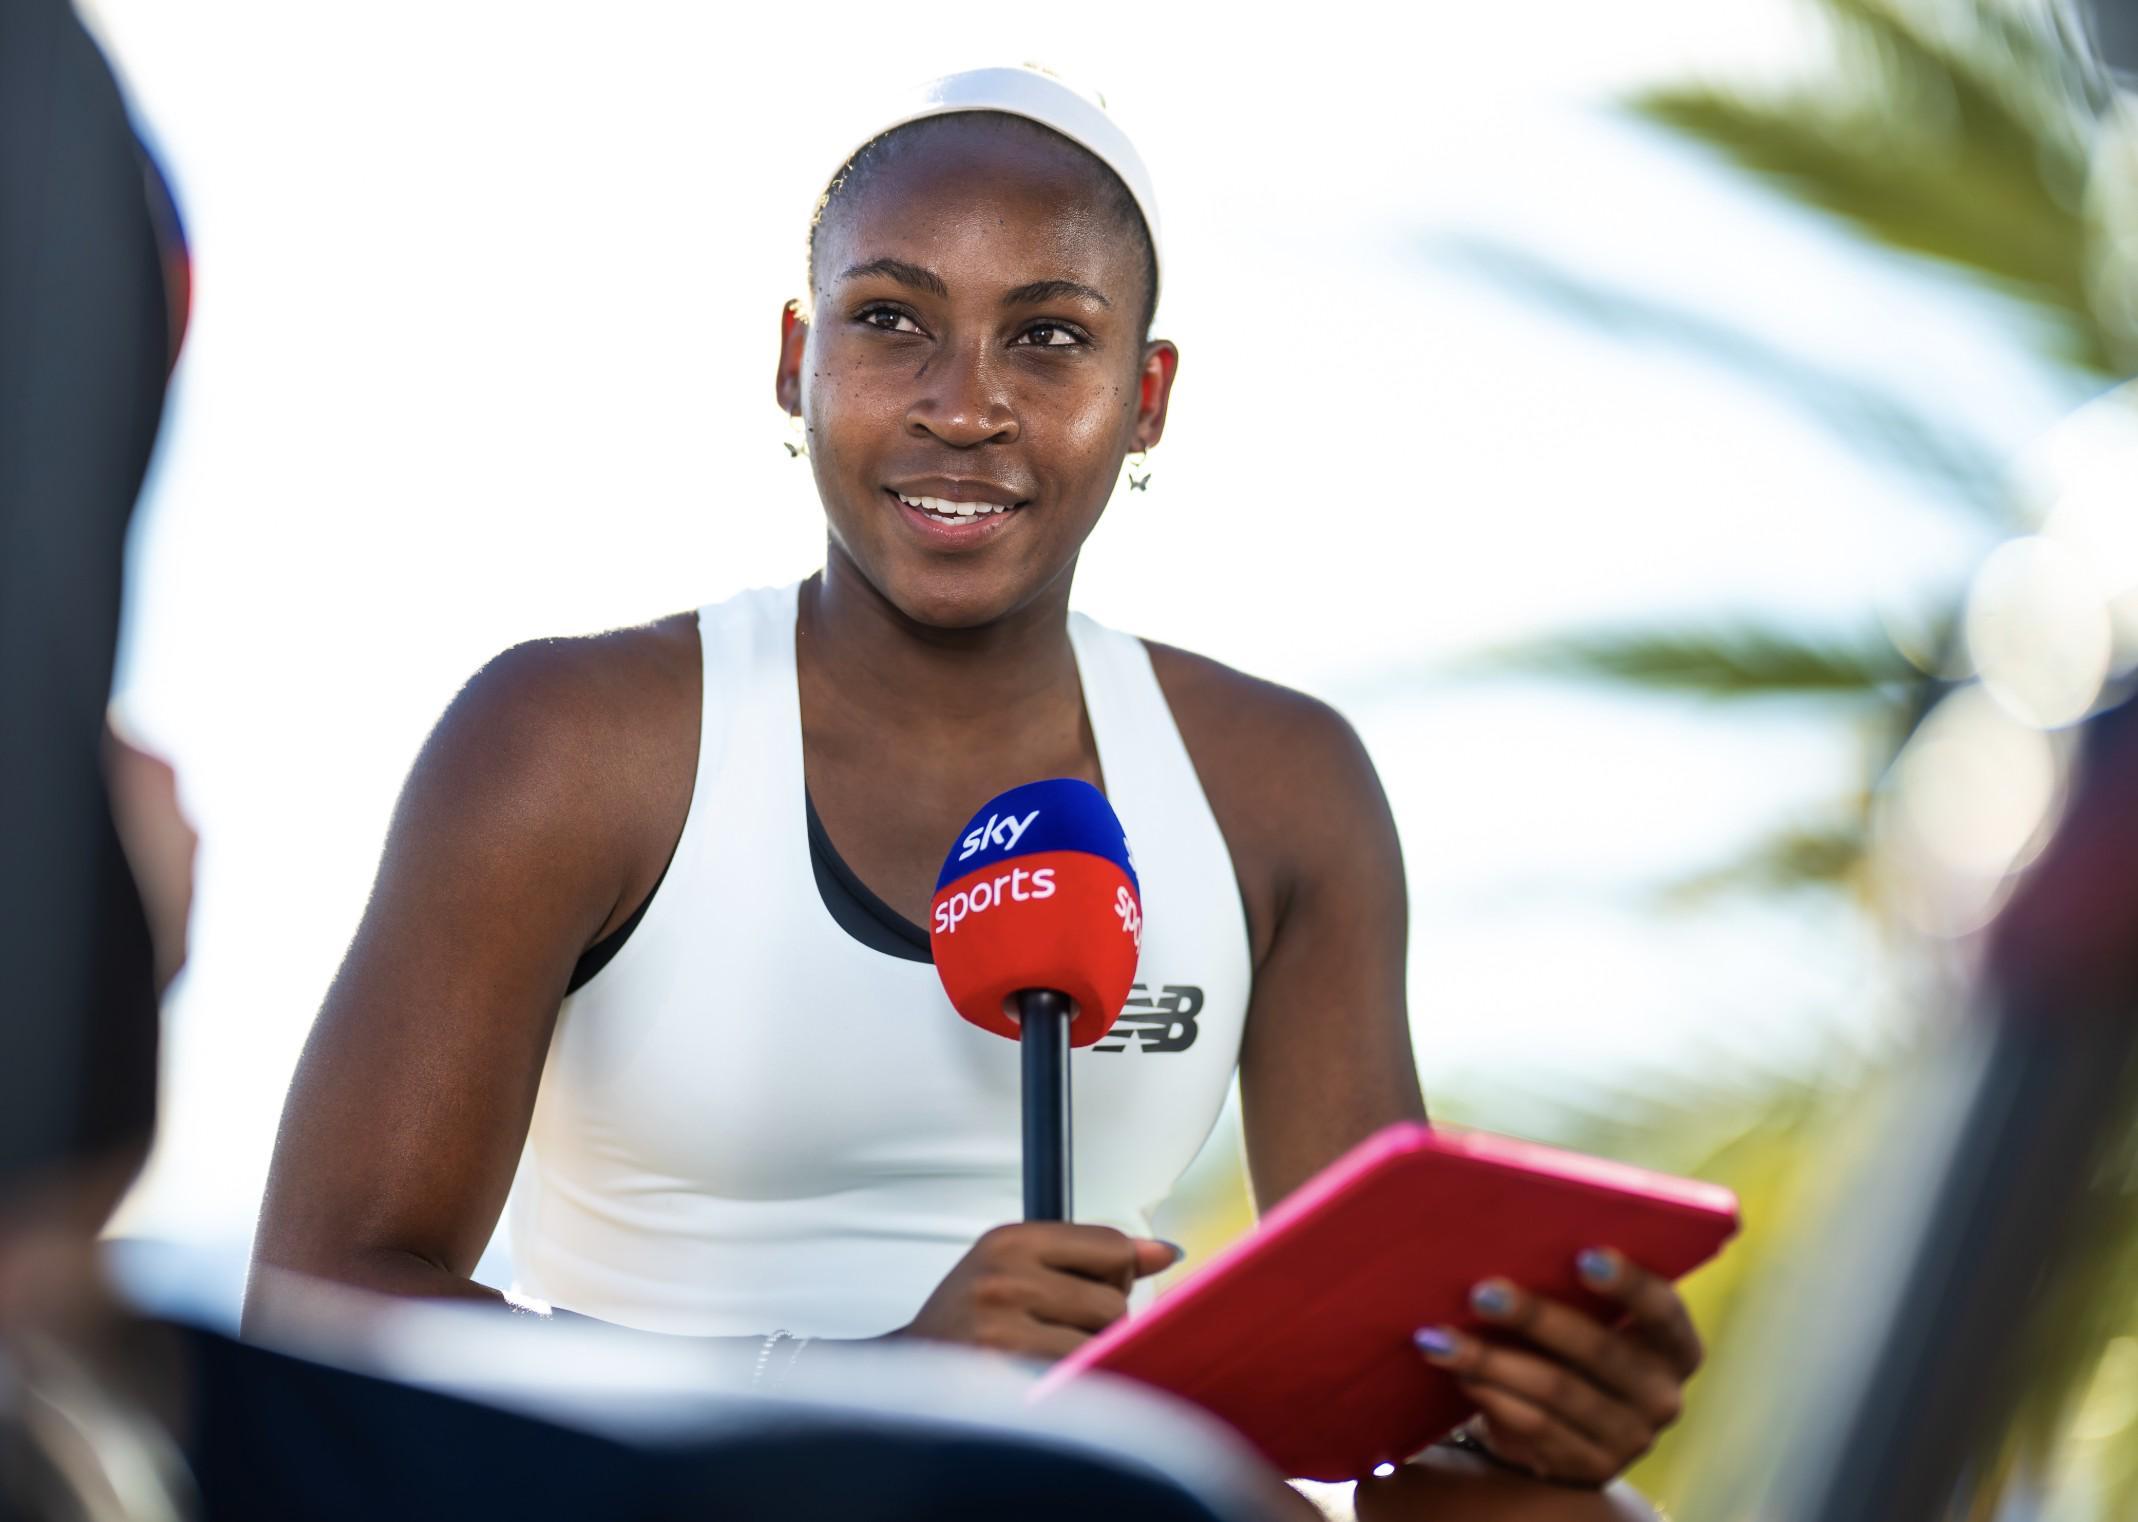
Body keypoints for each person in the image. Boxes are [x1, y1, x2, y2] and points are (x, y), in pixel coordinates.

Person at [250, 67, 1699, 1518]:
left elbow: (1378, 1388)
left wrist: (1533, 1410)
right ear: (795, 360)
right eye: (891, 320)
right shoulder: (575, 738)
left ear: (1145, 400)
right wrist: (865, 1387)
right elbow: (316, 1301)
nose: (964, 407)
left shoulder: (1279, 786)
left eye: (1049, 337)